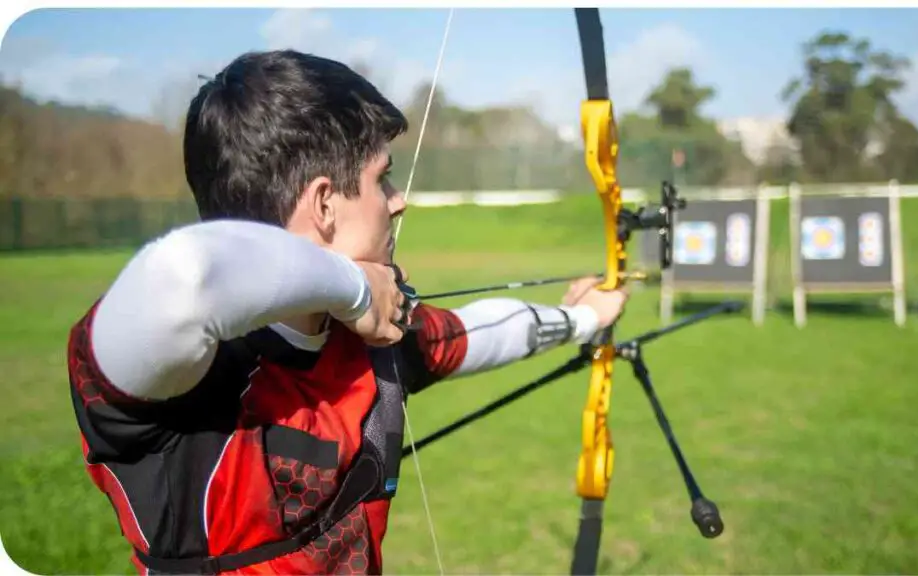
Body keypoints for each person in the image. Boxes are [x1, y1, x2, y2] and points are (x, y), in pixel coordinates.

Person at [66, 49, 628, 575]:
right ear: (324, 204)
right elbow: (182, 276)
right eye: (381, 177)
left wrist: (581, 319)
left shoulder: (372, 340)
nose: (398, 199)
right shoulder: (183, 376)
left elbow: (475, 333)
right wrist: (353, 288)